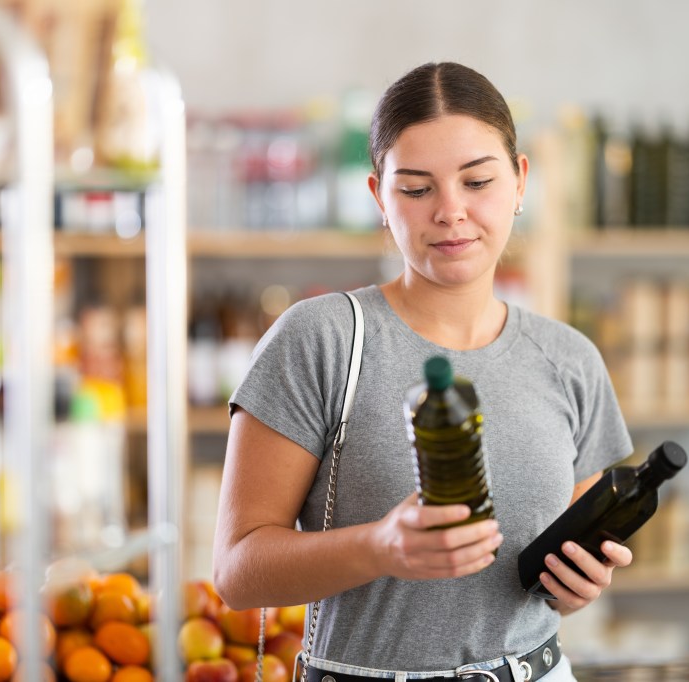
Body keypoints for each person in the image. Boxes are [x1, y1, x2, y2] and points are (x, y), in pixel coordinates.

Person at [213, 61, 634, 682]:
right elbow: (237, 573)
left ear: (520, 183)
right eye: (416, 189)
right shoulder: (323, 339)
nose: (451, 212)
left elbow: (564, 563)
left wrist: (578, 582)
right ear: (378, 198)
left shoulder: (569, 359)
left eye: (477, 181)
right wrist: (379, 546)